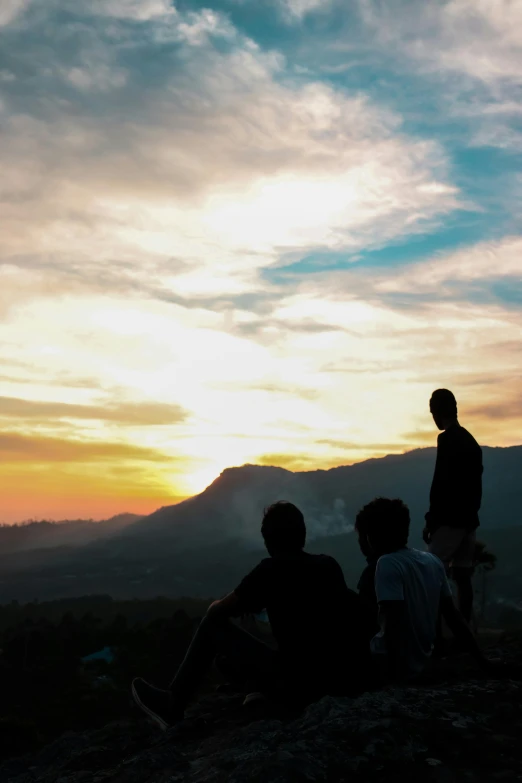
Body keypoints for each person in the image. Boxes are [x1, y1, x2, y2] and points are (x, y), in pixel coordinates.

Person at [132, 501, 370, 730]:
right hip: (336, 681)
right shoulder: (327, 565)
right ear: (303, 534)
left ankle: (173, 703)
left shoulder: (269, 571)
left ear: (267, 540)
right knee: (247, 646)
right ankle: (255, 689)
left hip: (298, 686)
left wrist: (240, 602)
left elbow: (217, 612)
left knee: (213, 625)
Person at [357, 497, 493, 683]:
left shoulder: (386, 563)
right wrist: (483, 662)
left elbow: (393, 623)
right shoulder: (432, 561)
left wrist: (393, 678)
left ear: (370, 537)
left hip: (393, 666)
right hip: (423, 662)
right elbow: (454, 617)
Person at [424, 389, 483, 624]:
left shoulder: (446, 439)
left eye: (432, 413)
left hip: (449, 521)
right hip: (468, 520)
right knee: (462, 576)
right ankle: (463, 633)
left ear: (438, 411)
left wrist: (431, 520)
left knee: (431, 575)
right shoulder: (471, 441)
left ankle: (435, 636)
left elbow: (441, 482)